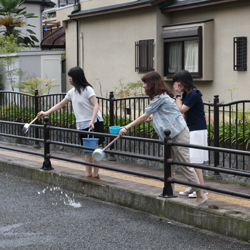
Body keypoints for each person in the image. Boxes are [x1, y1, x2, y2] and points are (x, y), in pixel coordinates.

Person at [119, 71, 208, 204]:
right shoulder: (161, 97)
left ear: (151, 84)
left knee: (185, 165)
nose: (143, 86)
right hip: (170, 135)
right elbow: (167, 112)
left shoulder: (160, 97)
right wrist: (154, 116)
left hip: (178, 133)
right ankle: (169, 190)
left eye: (145, 83)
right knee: (169, 165)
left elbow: (143, 115)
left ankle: (201, 194)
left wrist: (126, 127)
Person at [37, 66, 104, 179]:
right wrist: (46, 113)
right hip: (82, 124)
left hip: (94, 122)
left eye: (70, 76)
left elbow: (96, 105)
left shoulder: (88, 89)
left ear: (76, 77)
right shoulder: (72, 92)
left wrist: (92, 121)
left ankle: (96, 174)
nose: (69, 79)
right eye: (69, 77)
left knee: (96, 149)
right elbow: (60, 105)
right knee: (87, 150)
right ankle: (88, 174)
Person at [173, 70, 208, 198]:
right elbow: (182, 114)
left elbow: (181, 109)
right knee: (190, 160)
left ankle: (201, 189)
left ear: (183, 82)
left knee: (194, 160)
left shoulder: (194, 94)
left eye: (177, 82)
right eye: (175, 82)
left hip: (197, 130)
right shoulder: (188, 94)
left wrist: (177, 95)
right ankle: (194, 186)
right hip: (191, 128)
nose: (176, 85)